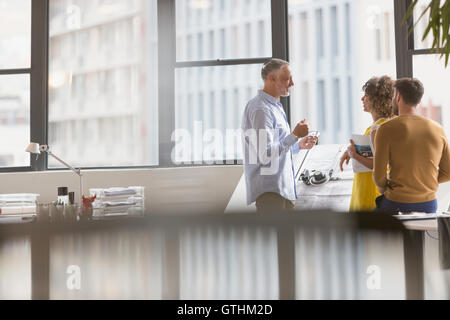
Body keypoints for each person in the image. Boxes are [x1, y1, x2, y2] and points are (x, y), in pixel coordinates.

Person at [241, 59, 318, 212]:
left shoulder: (273, 106)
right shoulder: (260, 110)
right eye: (287, 79)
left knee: (287, 236)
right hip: (271, 194)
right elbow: (265, 155)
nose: (292, 83)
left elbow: (276, 147)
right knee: (279, 236)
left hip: (281, 191)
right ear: (272, 79)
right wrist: (295, 135)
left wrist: (298, 145)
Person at [373, 78, 450, 213]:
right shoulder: (438, 129)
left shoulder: (385, 129)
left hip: (396, 202)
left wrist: (385, 188)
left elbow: (379, 178)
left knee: (370, 228)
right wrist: (423, 182)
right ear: (419, 101)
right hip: (428, 204)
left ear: (398, 97)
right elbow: (448, 173)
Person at [340, 76, 394, 211]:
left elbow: (379, 164)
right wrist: (351, 151)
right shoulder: (381, 125)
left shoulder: (379, 128)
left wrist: (355, 155)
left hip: (371, 188)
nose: (362, 99)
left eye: (366, 96)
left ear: (376, 100)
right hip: (368, 185)